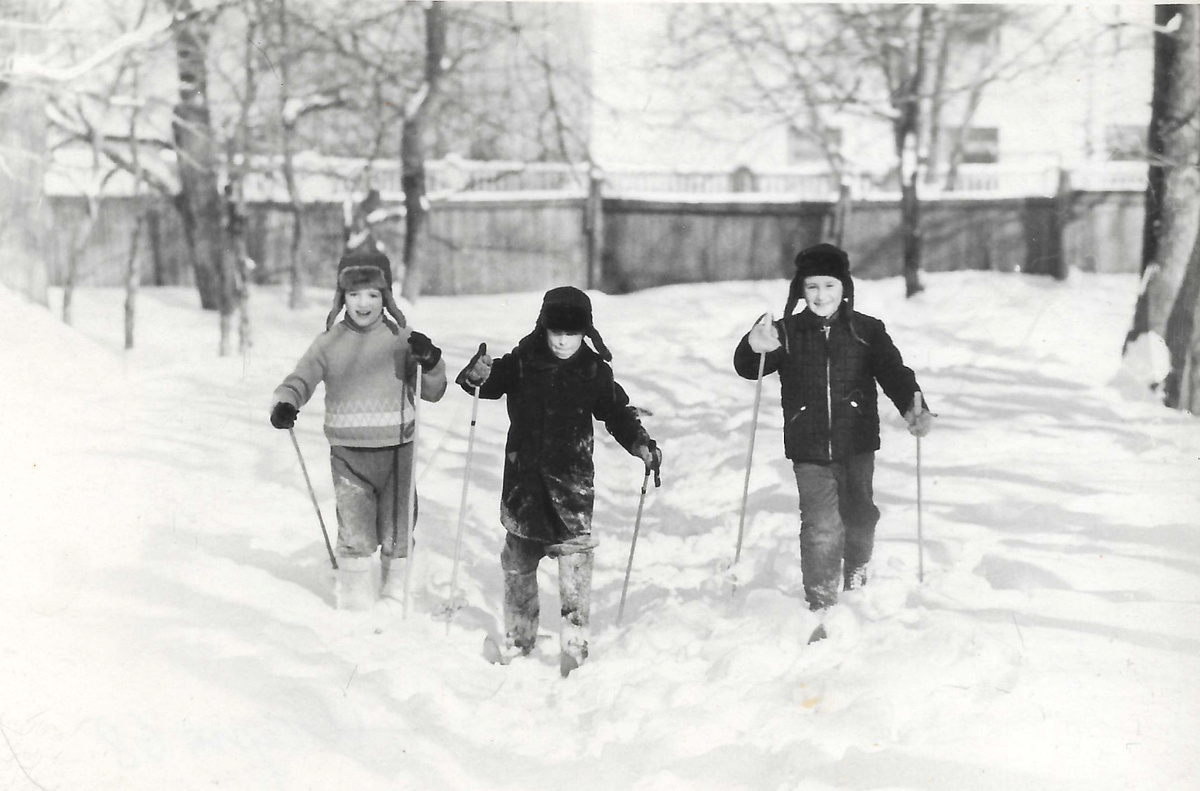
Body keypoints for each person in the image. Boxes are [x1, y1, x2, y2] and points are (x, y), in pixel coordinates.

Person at [457, 286, 661, 676]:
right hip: (524, 489)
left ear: (587, 332)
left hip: (571, 488)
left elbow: (616, 412)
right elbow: (486, 383)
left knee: (575, 569)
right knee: (517, 564)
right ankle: (519, 639)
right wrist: (475, 374)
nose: (564, 341)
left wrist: (640, 443)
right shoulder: (521, 362)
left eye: (573, 333)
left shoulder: (594, 371)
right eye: (557, 332)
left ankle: (575, 643)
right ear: (544, 329)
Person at [733, 243, 932, 621]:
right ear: (800, 292)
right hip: (808, 446)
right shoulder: (786, 333)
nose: (821, 295)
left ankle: (855, 575)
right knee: (822, 525)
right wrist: (753, 345)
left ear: (844, 288)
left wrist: (913, 404)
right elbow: (748, 367)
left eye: (829, 286)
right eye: (812, 288)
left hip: (856, 441)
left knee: (860, 517)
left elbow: (894, 372)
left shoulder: (866, 330)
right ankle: (821, 601)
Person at [270, 249, 447, 610]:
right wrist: (287, 400)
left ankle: (397, 595)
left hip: (398, 451)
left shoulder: (403, 339)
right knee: (354, 530)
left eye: (372, 294)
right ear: (341, 298)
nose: (363, 303)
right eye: (354, 295)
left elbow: (433, 391)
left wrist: (429, 362)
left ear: (386, 297)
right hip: (348, 455)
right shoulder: (329, 343)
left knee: (398, 529)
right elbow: (301, 378)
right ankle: (354, 602)